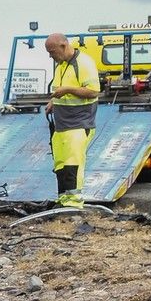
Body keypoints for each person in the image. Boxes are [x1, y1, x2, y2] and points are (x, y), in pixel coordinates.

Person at [44, 33, 101, 207]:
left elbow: (93, 91)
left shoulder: (83, 63)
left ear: (63, 46)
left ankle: (73, 202)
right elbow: (61, 89)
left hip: (78, 123)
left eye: (52, 51)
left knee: (72, 163)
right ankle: (64, 199)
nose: (50, 56)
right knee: (61, 163)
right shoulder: (61, 65)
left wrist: (67, 89)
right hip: (62, 124)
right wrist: (54, 100)